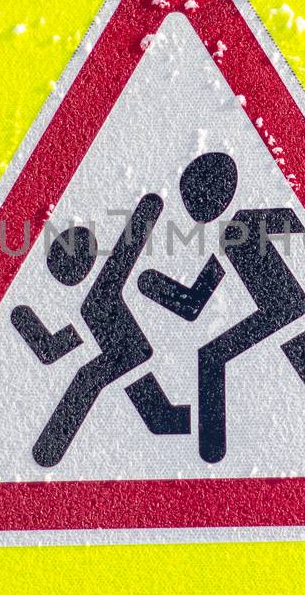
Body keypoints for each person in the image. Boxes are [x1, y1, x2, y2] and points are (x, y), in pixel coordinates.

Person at [139, 152, 305, 464]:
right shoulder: (232, 233)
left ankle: (212, 448)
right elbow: (196, 299)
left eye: (193, 198)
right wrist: (157, 288)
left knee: (212, 356)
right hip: (284, 312)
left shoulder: (242, 225)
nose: (190, 208)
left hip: (282, 308)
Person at [10, 198, 188, 468]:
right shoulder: (94, 296)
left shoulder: (101, 289)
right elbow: (51, 348)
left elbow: (125, 254)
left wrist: (147, 212)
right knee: (96, 380)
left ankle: (49, 451)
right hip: (126, 346)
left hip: (128, 345)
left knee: (90, 378)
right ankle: (48, 452)